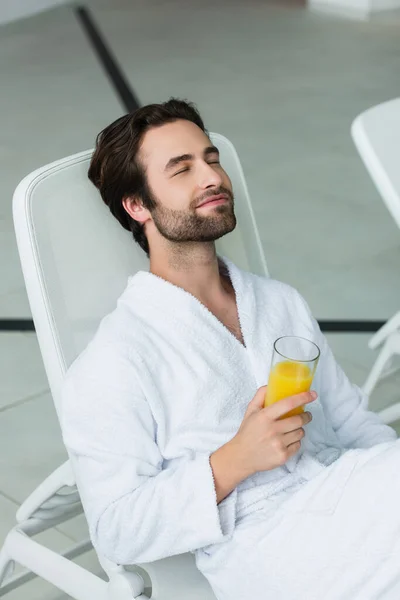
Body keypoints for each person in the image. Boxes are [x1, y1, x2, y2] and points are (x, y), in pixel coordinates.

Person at [61, 98, 400, 600]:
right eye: (182, 169)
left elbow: (352, 424)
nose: (212, 177)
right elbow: (116, 529)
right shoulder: (117, 359)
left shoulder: (278, 301)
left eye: (212, 158)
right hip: (267, 549)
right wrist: (233, 461)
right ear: (137, 206)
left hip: (348, 500)